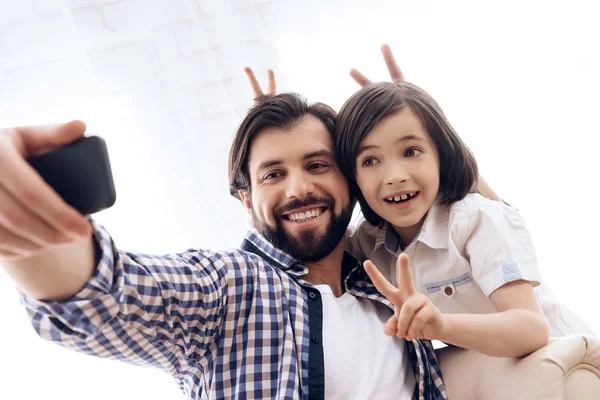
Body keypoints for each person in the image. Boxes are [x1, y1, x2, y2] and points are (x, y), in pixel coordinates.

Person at [0, 55, 447, 399]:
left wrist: (419, 133)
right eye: (273, 174)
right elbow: (107, 298)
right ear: (247, 200)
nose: (298, 188)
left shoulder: (391, 272)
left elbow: (495, 248)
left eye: (317, 164)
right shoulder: (228, 286)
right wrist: (28, 228)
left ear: (349, 178)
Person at [334, 79, 593, 353]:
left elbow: (531, 328)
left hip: (568, 363)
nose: (396, 176)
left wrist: (441, 326)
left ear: (441, 156)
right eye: (370, 161)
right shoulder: (365, 242)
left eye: (411, 151)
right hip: (492, 372)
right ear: (352, 178)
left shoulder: (476, 220)